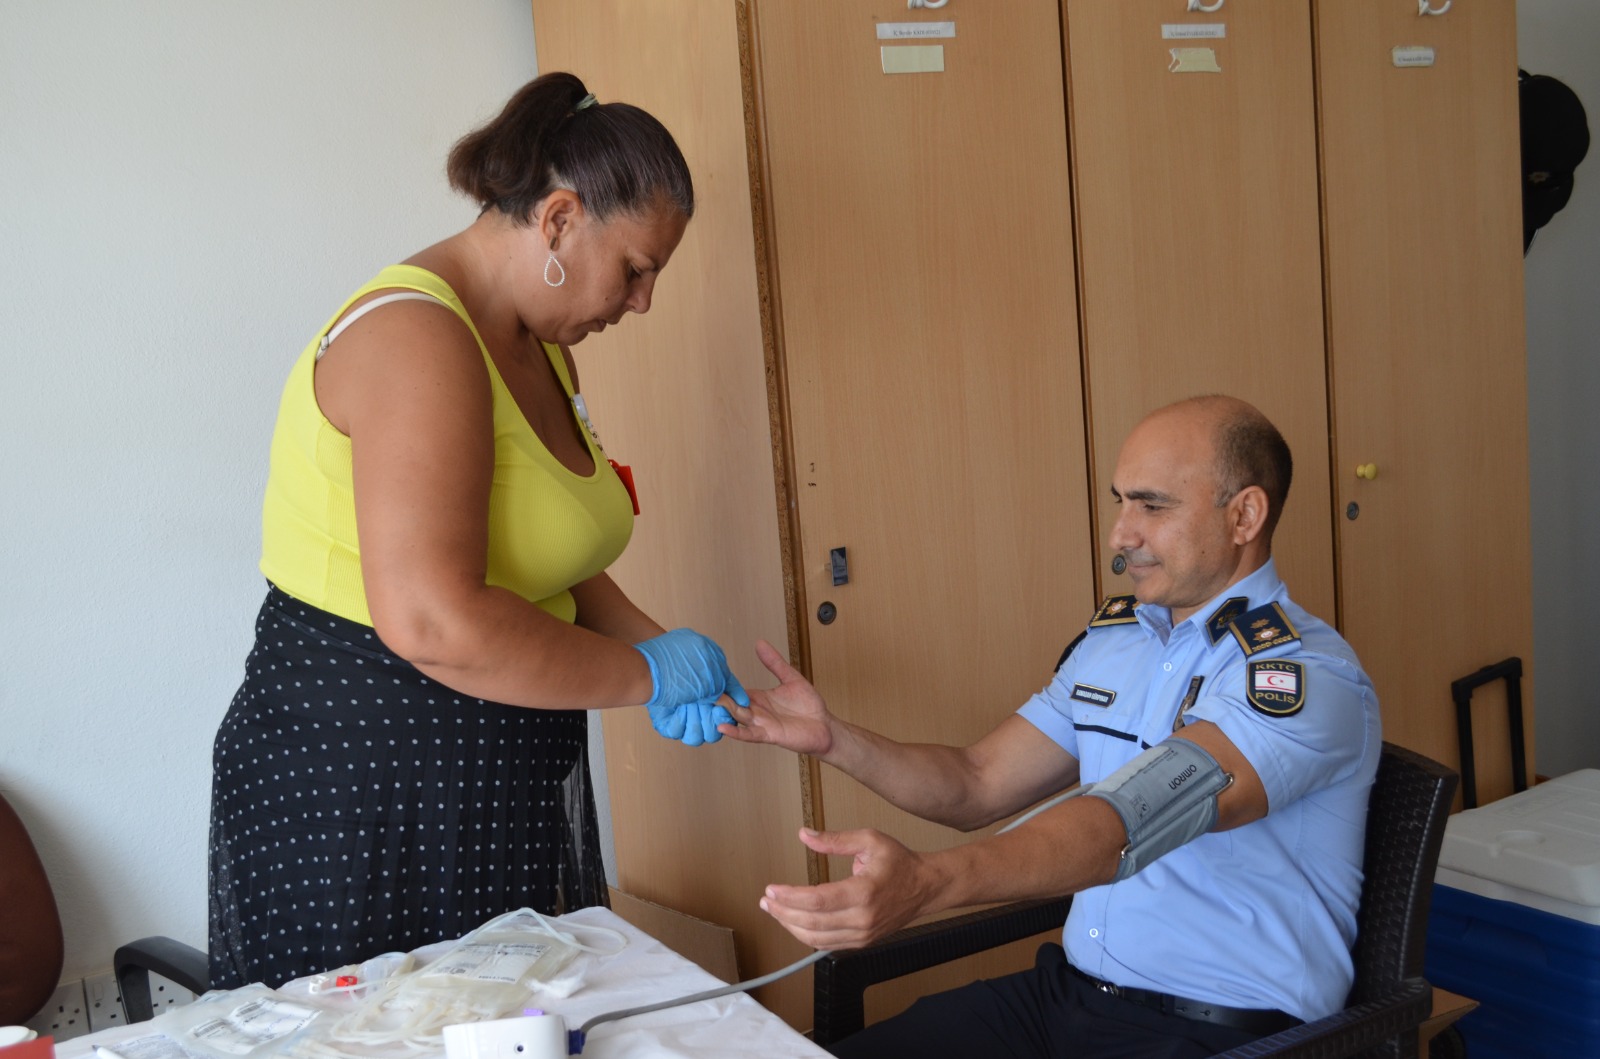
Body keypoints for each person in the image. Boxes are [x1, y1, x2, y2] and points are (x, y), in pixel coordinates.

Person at [208, 72, 747, 989]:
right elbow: (432, 620)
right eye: (636, 268)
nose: (643, 301)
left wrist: (660, 646)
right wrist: (644, 675)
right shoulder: (415, 339)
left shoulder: (542, 345)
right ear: (560, 219)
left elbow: (554, 557)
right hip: (366, 788)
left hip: (494, 775)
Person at [723, 395, 1381, 1058]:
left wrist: (929, 882)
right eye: (1121, 502)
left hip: (1221, 1031)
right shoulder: (1117, 645)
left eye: (1152, 506)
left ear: (1244, 515)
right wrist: (833, 738)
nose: (1121, 535)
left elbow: (1125, 822)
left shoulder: (1304, 676)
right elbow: (977, 781)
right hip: (1070, 998)